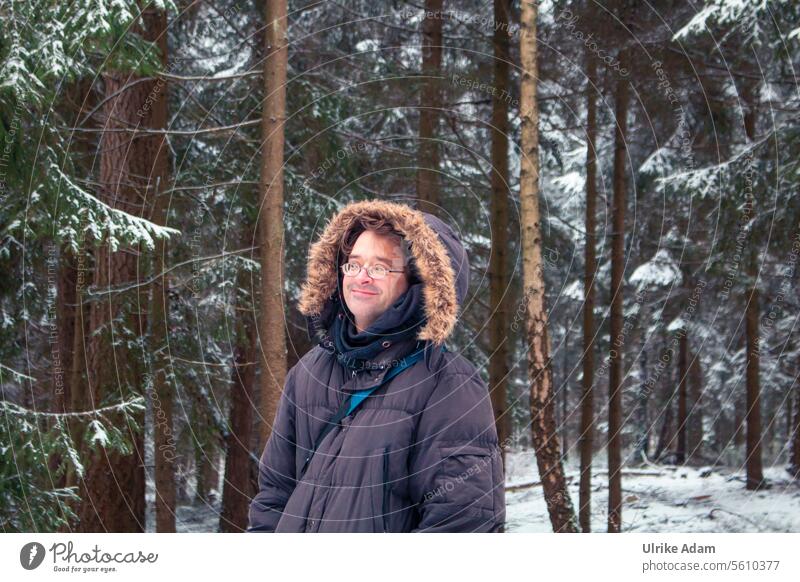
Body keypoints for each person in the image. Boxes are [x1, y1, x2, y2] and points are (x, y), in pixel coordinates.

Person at [247, 199, 505, 532]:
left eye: (380, 267)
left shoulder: (449, 384)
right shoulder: (308, 373)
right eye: (353, 264)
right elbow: (273, 496)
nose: (361, 277)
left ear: (418, 283)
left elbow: (463, 524)